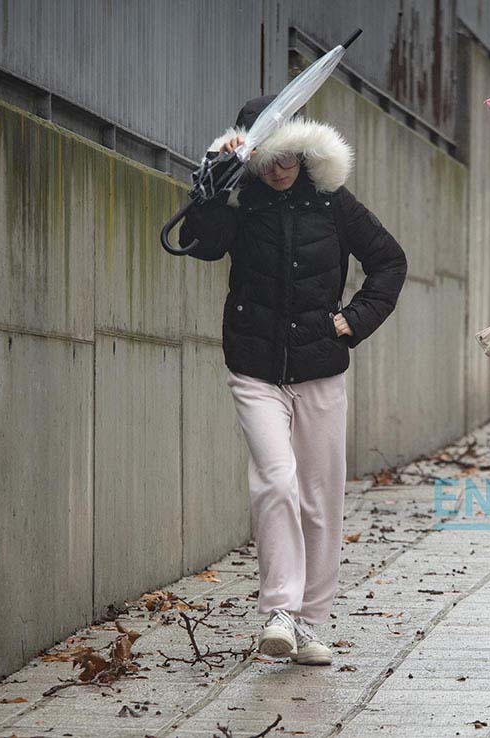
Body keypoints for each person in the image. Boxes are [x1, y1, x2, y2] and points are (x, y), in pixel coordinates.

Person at [172, 97, 407, 663]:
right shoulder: (242, 202)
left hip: (320, 367)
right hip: (254, 367)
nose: (279, 170)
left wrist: (352, 320)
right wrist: (211, 184)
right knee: (276, 480)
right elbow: (200, 244)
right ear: (252, 159)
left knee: (320, 499)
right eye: (268, 159)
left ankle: (309, 623)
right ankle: (279, 610)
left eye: (288, 158)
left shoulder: (332, 202)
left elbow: (390, 261)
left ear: (303, 153)